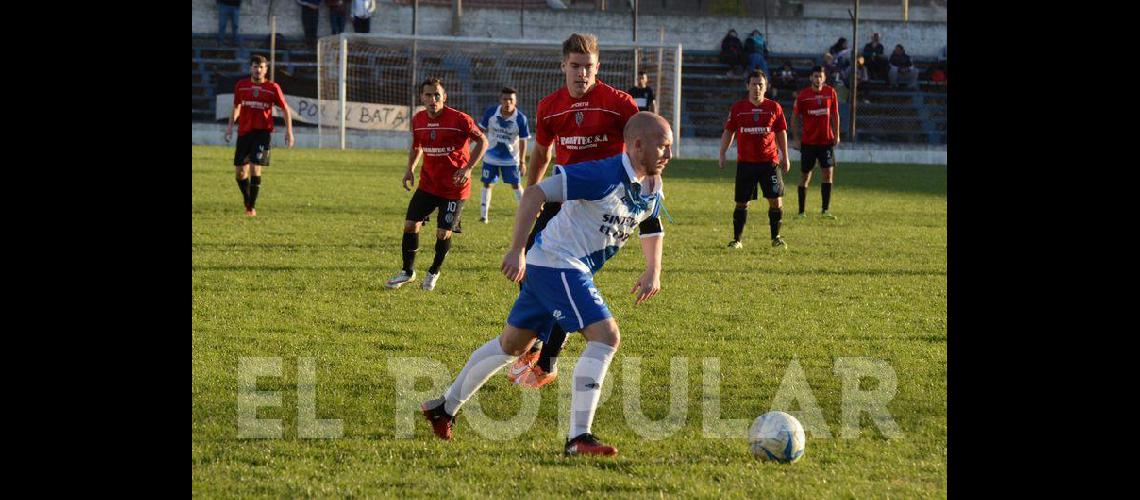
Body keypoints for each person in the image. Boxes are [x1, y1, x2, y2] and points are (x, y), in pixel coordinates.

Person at [419, 112, 672, 458]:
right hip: (557, 263)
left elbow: (652, 222)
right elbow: (535, 194)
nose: (669, 154)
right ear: (638, 145)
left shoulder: (653, 183)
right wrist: (516, 251)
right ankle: (578, 437)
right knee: (607, 337)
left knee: (512, 345)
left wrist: (652, 269)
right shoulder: (603, 173)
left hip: (555, 266)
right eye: (663, 146)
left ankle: (443, 408)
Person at [508, 32, 641, 391]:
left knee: (568, 279)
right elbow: (541, 153)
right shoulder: (550, 106)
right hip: (557, 196)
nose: (582, 73)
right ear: (563, 65)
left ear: (598, 68)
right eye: (576, 66)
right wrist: (529, 194)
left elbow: (641, 149)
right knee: (532, 271)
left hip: (596, 208)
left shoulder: (620, 104)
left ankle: (546, 360)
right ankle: (533, 343)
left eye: (589, 67)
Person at [385, 78, 489, 291]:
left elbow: (483, 141)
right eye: (428, 95)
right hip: (428, 185)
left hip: (454, 188)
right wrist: (410, 169)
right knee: (410, 225)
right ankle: (407, 271)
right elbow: (417, 146)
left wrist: (468, 168)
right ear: (421, 97)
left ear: (444, 97)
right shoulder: (418, 120)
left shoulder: (460, 119)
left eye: (437, 95)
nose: (433, 99)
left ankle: (433, 271)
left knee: (443, 233)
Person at [719, 70, 790, 249]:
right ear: (747, 86)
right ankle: (737, 240)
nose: (757, 88)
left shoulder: (774, 108)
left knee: (776, 200)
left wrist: (785, 156)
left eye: (761, 85)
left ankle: (776, 238)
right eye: (753, 84)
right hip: (746, 163)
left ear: (766, 87)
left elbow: (781, 132)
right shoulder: (738, 108)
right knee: (742, 202)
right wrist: (722, 153)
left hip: (769, 163)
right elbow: (729, 131)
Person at [225, 55, 295, 217]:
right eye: (256, 66)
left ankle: (251, 207)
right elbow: (236, 106)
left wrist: (289, 131)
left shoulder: (272, 88)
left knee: (255, 167)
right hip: (244, 132)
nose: (258, 70)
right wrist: (229, 127)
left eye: (262, 67)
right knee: (240, 173)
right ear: (251, 68)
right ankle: (247, 200)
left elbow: (285, 109)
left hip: (263, 133)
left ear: (266, 69)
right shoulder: (241, 86)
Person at [790, 66, 841, 219]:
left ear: (824, 78)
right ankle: (801, 212)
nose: (818, 79)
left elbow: (835, 115)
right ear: (810, 78)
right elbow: (794, 118)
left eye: (820, 76)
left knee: (828, 174)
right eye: (815, 76)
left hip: (826, 141)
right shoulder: (803, 96)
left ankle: (825, 210)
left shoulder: (830, 93)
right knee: (805, 177)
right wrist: (797, 139)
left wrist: (837, 135)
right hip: (809, 143)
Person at [477, 87, 530, 223]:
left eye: (511, 99)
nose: (508, 102)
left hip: (511, 160)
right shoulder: (491, 113)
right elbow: (480, 132)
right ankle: (484, 216)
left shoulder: (521, 119)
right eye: (505, 99)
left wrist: (522, 162)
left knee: (516, 185)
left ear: (515, 101)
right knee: (487, 184)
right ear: (500, 100)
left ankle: (526, 213)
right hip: (491, 157)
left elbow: (524, 141)